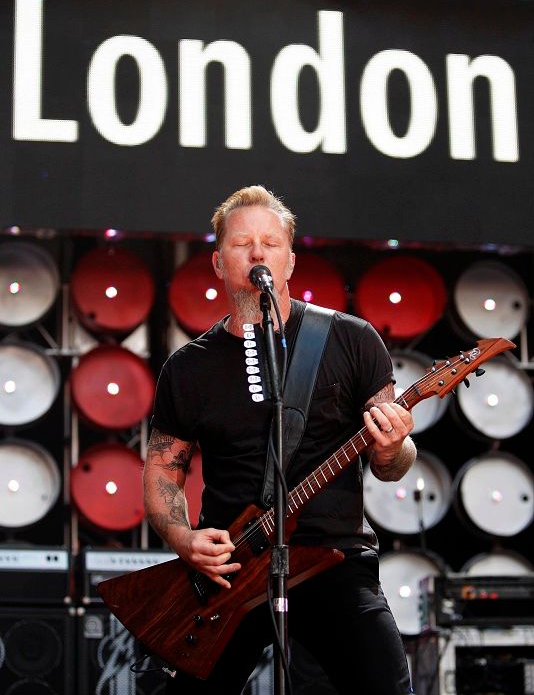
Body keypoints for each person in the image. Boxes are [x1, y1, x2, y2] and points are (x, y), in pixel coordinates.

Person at [144, 185, 416, 695]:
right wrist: (184, 540)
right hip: (231, 569)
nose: (257, 253)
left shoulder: (353, 340)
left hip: (334, 560)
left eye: (270, 243)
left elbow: (393, 463)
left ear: (290, 262)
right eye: (241, 243)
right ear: (217, 263)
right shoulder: (189, 367)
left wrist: (389, 446)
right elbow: (163, 469)